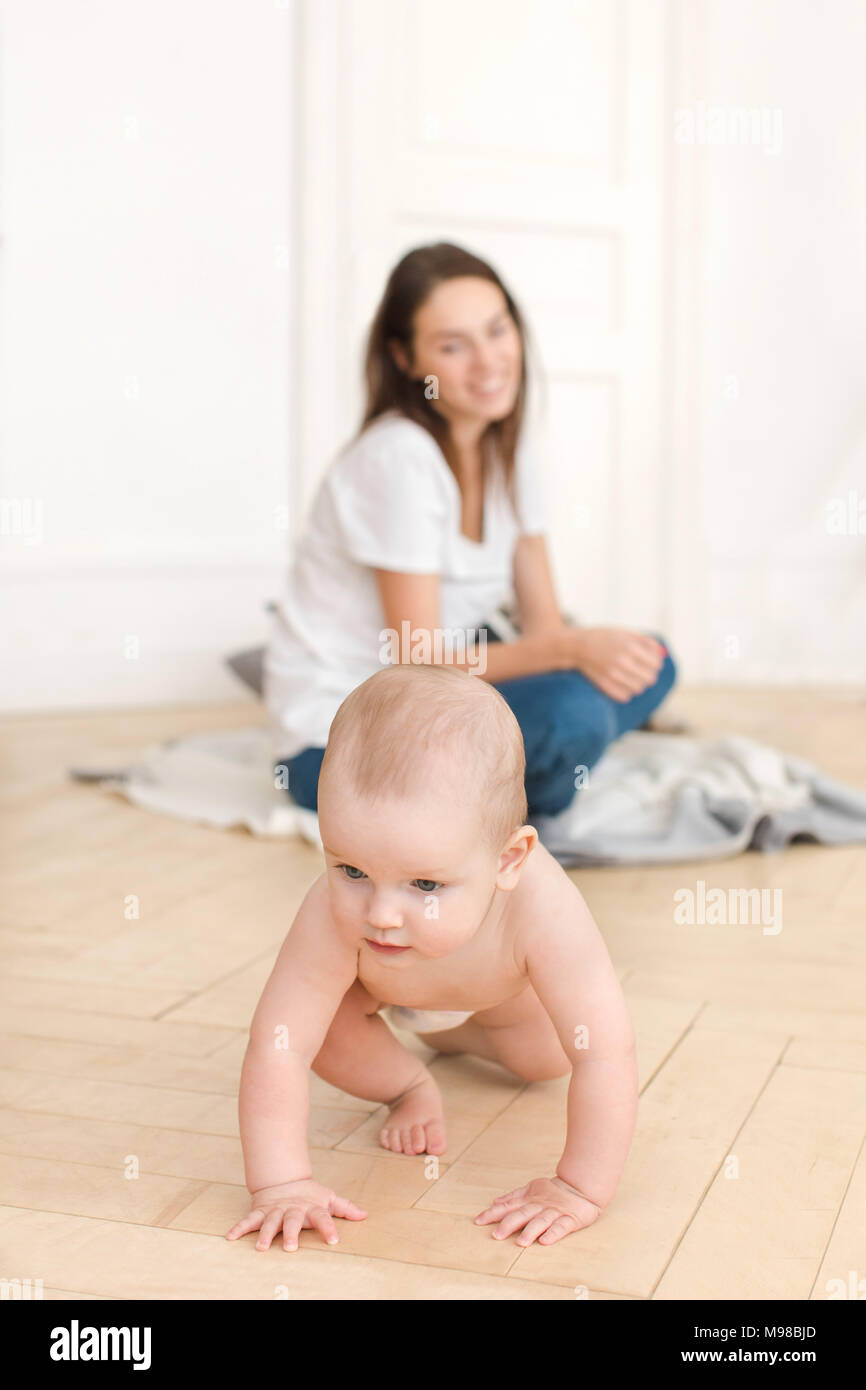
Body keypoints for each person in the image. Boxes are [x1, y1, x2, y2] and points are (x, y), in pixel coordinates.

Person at [227, 663, 638, 1252]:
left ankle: (462, 1036)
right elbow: (278, 1044)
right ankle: (408, 1085)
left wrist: (579, 1188)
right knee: (323, 1034)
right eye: (351, 870)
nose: (382, 915)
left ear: (508, 860)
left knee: (548, 1058)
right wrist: (281, 1183)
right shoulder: (331, 913)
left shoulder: (544, 908)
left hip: (500, 996)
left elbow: (606, 1050)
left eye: (424, 885)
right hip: (376, 991)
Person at [264, 241, 677, 823]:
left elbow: (545, 631)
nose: (489, 363)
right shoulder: (399, 459)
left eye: (497, 331)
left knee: (651, 657)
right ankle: (539, 772)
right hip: (345, 744)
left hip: (441, 711)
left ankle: (522, 776)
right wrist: (574, 650)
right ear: (405, 360)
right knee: (573, 716)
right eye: (454, 346)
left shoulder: (508, 449)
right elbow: (416, 661)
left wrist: (582, 651)